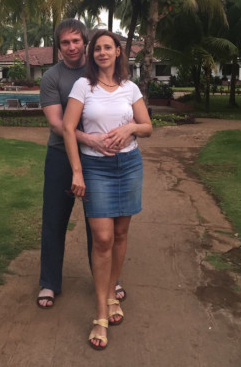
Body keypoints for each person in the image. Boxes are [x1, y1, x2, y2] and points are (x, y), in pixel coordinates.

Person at [63, 30, 153, 350]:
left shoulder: (130, 88)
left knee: (121, 234)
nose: (101, 52)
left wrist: (131, 128)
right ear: (92, 55)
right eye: (97, 48)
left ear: (118, 52)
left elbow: (148, 127)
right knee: (102, 238)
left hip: (129, 166)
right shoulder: (83, 86)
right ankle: (101, 312)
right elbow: (67, 128)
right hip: (95, 168)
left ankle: (112, 293)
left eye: (107, 47)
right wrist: (77, 171)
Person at [37, 20, 129, 308]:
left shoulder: (98, 72)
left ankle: (107, 281)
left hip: (97, 160)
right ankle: (49, 282)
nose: (72, 47)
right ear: (58, 46)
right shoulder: (52, 77)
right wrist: (91, 139)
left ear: (85, 43)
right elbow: (57, 124)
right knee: (54, 220)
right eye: (65, 42)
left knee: (100, 224)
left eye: (76, 41)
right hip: (61, 157)